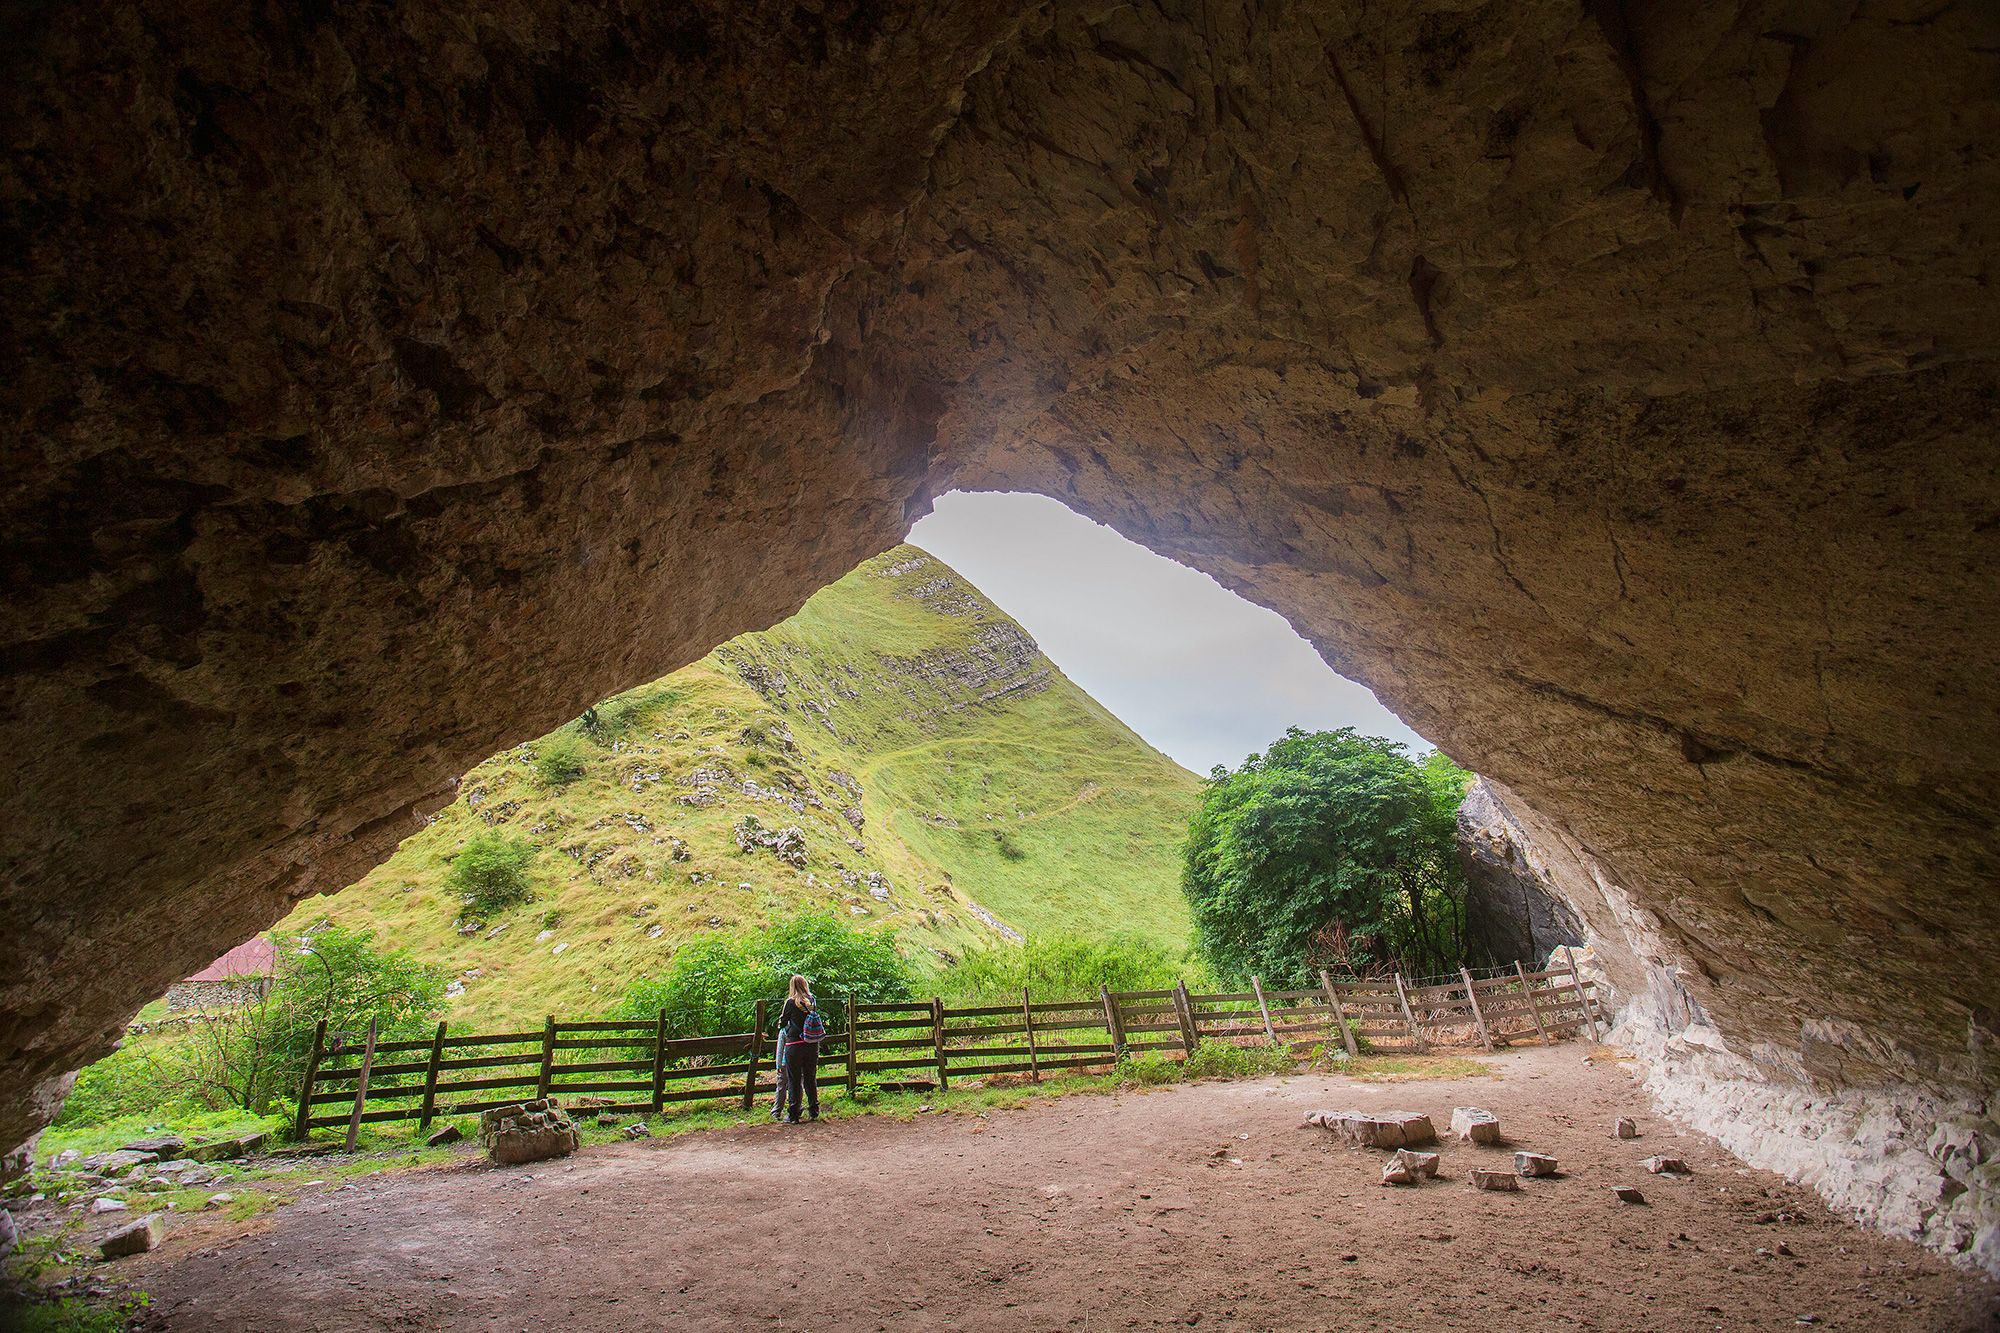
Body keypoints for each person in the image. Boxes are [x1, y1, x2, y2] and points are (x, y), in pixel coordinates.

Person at [778, 973, 820, 1123]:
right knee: (810, 1078)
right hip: (811, 1044)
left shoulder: (790, 1002)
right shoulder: (812, 1001)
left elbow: (782, 1023)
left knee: (794, 1080)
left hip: (794, 1044)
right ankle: (814, 1110)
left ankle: (794, 1114)